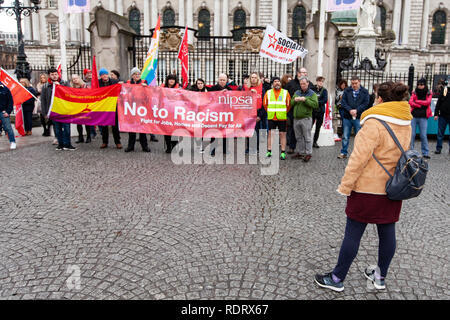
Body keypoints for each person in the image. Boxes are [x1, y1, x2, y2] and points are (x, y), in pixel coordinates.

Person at [314, 82, 412, 292]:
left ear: (381, 100)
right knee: (387, 232)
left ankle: (337, 278)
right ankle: (380, 276)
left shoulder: (374, 123)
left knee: (353, 233)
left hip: (368, 188)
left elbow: (358, 159)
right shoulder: (406, 122)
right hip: (393, 187)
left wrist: (345, 185)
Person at [41, 67, 74, 150]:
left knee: (66, 128)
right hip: (54, 110)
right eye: (52, 74)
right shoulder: (45, 86)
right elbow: (43, 100)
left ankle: (68, 144)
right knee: (57, 128)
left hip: (64, 109)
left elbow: (70, 94)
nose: (54, 76)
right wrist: (45, 113)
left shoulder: (64, 83)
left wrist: (60, 87)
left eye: (56, 74)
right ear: (49, 75)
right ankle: (60, 144)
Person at [337, 75, 370, 159]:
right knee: (345, 136)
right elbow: (343, 102)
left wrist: (357, 110)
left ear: (359, 82)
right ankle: (343, 152)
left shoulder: (365, 91)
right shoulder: (347, 90)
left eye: (355, 83)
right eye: (352, 83)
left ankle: (358, 153)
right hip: (347, 116)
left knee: (359, 136)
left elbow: (366, 103)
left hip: (358, 117)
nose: (354, 85)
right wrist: (350, 110)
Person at [285, 68, 314, 154]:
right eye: (303, 72)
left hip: (306, 114)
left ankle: (307, 150)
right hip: (292, 111)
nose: (305, 74)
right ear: (298, 73)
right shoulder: (290, 84)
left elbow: (315, 100)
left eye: (306, 72)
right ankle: (292, 147)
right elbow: (286, 97)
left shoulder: (310, 84)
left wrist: (306, 100)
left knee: (306, 133)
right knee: (293, 131)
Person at [290, 76, 319, 162]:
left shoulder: (312, 93)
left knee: (307, 137)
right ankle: (301, 152)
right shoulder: (297, 92)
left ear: (308, 83)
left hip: (306, 118)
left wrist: (305, 100)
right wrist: (294, 100)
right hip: (296, 118)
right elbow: (291, 103)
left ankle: (308, 153)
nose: (302, 85)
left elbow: (315, 105)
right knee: (298, 137)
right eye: (301, 84)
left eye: (304, 84)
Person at [263, 77, 291, 160]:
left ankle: (282, 152)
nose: (277, 83)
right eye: (275, 81)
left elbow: (288, 105)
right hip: (272, 116)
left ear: (280, 83)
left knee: (282, 134)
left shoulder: (285, 92)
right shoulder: (268, 92)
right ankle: (269, 151)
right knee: (271, 134)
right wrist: (270, 111)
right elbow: (265, 104)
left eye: (278, 81)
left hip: (282, 117)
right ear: (272, 84)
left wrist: (283, 112)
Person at [125, 67, 151, 153]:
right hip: (131, 108)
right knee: (131, 129)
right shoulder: (128, 83)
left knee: (142, 129)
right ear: (132, 76)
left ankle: (145, 146)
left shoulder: (144, 82)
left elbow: (151, 92)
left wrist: (146, 87)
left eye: (138, 74)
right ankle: (130, 146)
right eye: (135, 74)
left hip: (141, 108)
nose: (137, 75)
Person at [209, 73, 232, 155]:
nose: (222, 81)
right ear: (218, 80)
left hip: (225, 114)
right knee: (214, 132)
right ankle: (212, 149)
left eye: (224, 80)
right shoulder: (212, 88)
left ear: (226, 81)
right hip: (215, 114)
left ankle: (225, 149)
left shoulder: (230, 89)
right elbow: (209, 99)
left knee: (226, 132)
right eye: (221, 80)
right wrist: (220, 93)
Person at [98, 68, 122, 149]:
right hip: (103, 106)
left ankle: (117, 142)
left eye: (105, 74)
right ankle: (105, 142)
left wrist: (122, 83)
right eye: (102, 75)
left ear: (107, 74)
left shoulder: (114, 81)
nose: (104, 76)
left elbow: (123, 83)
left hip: (113, 106)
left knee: (115, 125)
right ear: (100, 76)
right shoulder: (98, 83)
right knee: (104, 125)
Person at [409, 78, 432, 159]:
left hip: (423, 116)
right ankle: (410, 152)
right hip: (414, 116)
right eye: (418, 84)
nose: (419, 86)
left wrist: (417, 101)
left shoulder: (428, 92)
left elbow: (428, 102)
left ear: (424, 85)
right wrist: (420, 105)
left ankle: (425, 152)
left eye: (421, 84)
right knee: (412, 135)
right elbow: (411, 102)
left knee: (423, 135)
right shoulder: (414, 92)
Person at [243, 72, 265, 154]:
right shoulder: (245, 88)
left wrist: (260, 116)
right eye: (252, 77)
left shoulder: (261, 88)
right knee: (249, 131)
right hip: (248, 113)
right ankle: (249, 147)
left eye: (255, 77)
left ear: (258, 79)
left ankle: (257, 148)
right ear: (250, 79)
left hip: (258, 112)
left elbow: (264, 102)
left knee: (256, 131)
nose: (253, 79)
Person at [70, 74, 93, 144]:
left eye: (76, 78)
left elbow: (90, 94)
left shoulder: (85, 86)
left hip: (85, 106)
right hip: (77, 106)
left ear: (79, 78)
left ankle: (88, 137)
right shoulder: (72, 87)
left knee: (87, 122)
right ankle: (80, 137)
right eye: (73, 79)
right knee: (78, 123)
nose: (75, 80)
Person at [161, 74, 180, 153]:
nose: (172, 81)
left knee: (175, 131)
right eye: (170, 79)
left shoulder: (179, 88)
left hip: (175, 113)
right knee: (166, 131)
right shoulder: (162, 88)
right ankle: (168, 146)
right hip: (166, 112)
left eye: (173, 79)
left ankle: (174, 146)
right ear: (167, 80)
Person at [434, 78, 450, 154]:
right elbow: (439, 102)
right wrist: (436, 114)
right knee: (440, 133)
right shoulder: (444, 90)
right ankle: (438, 148)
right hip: (443, 115)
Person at [312, 76, 328, 148]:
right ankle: (308, 141)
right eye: (319, 81)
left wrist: (316, 103)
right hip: (313, 111)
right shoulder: (312, 89)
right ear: (317, 81)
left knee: (318, 128)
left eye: (322, 81)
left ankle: (315, 141)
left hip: (320, 111)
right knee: (309, 126)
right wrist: (316, 102)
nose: (321, 83)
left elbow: (325, 100)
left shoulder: (324, 90)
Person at [0, 80, 17, 150]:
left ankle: (12, 142)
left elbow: (10, 101)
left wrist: (8, 111)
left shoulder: (5, 89)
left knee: (8, 127)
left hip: (3, 111)